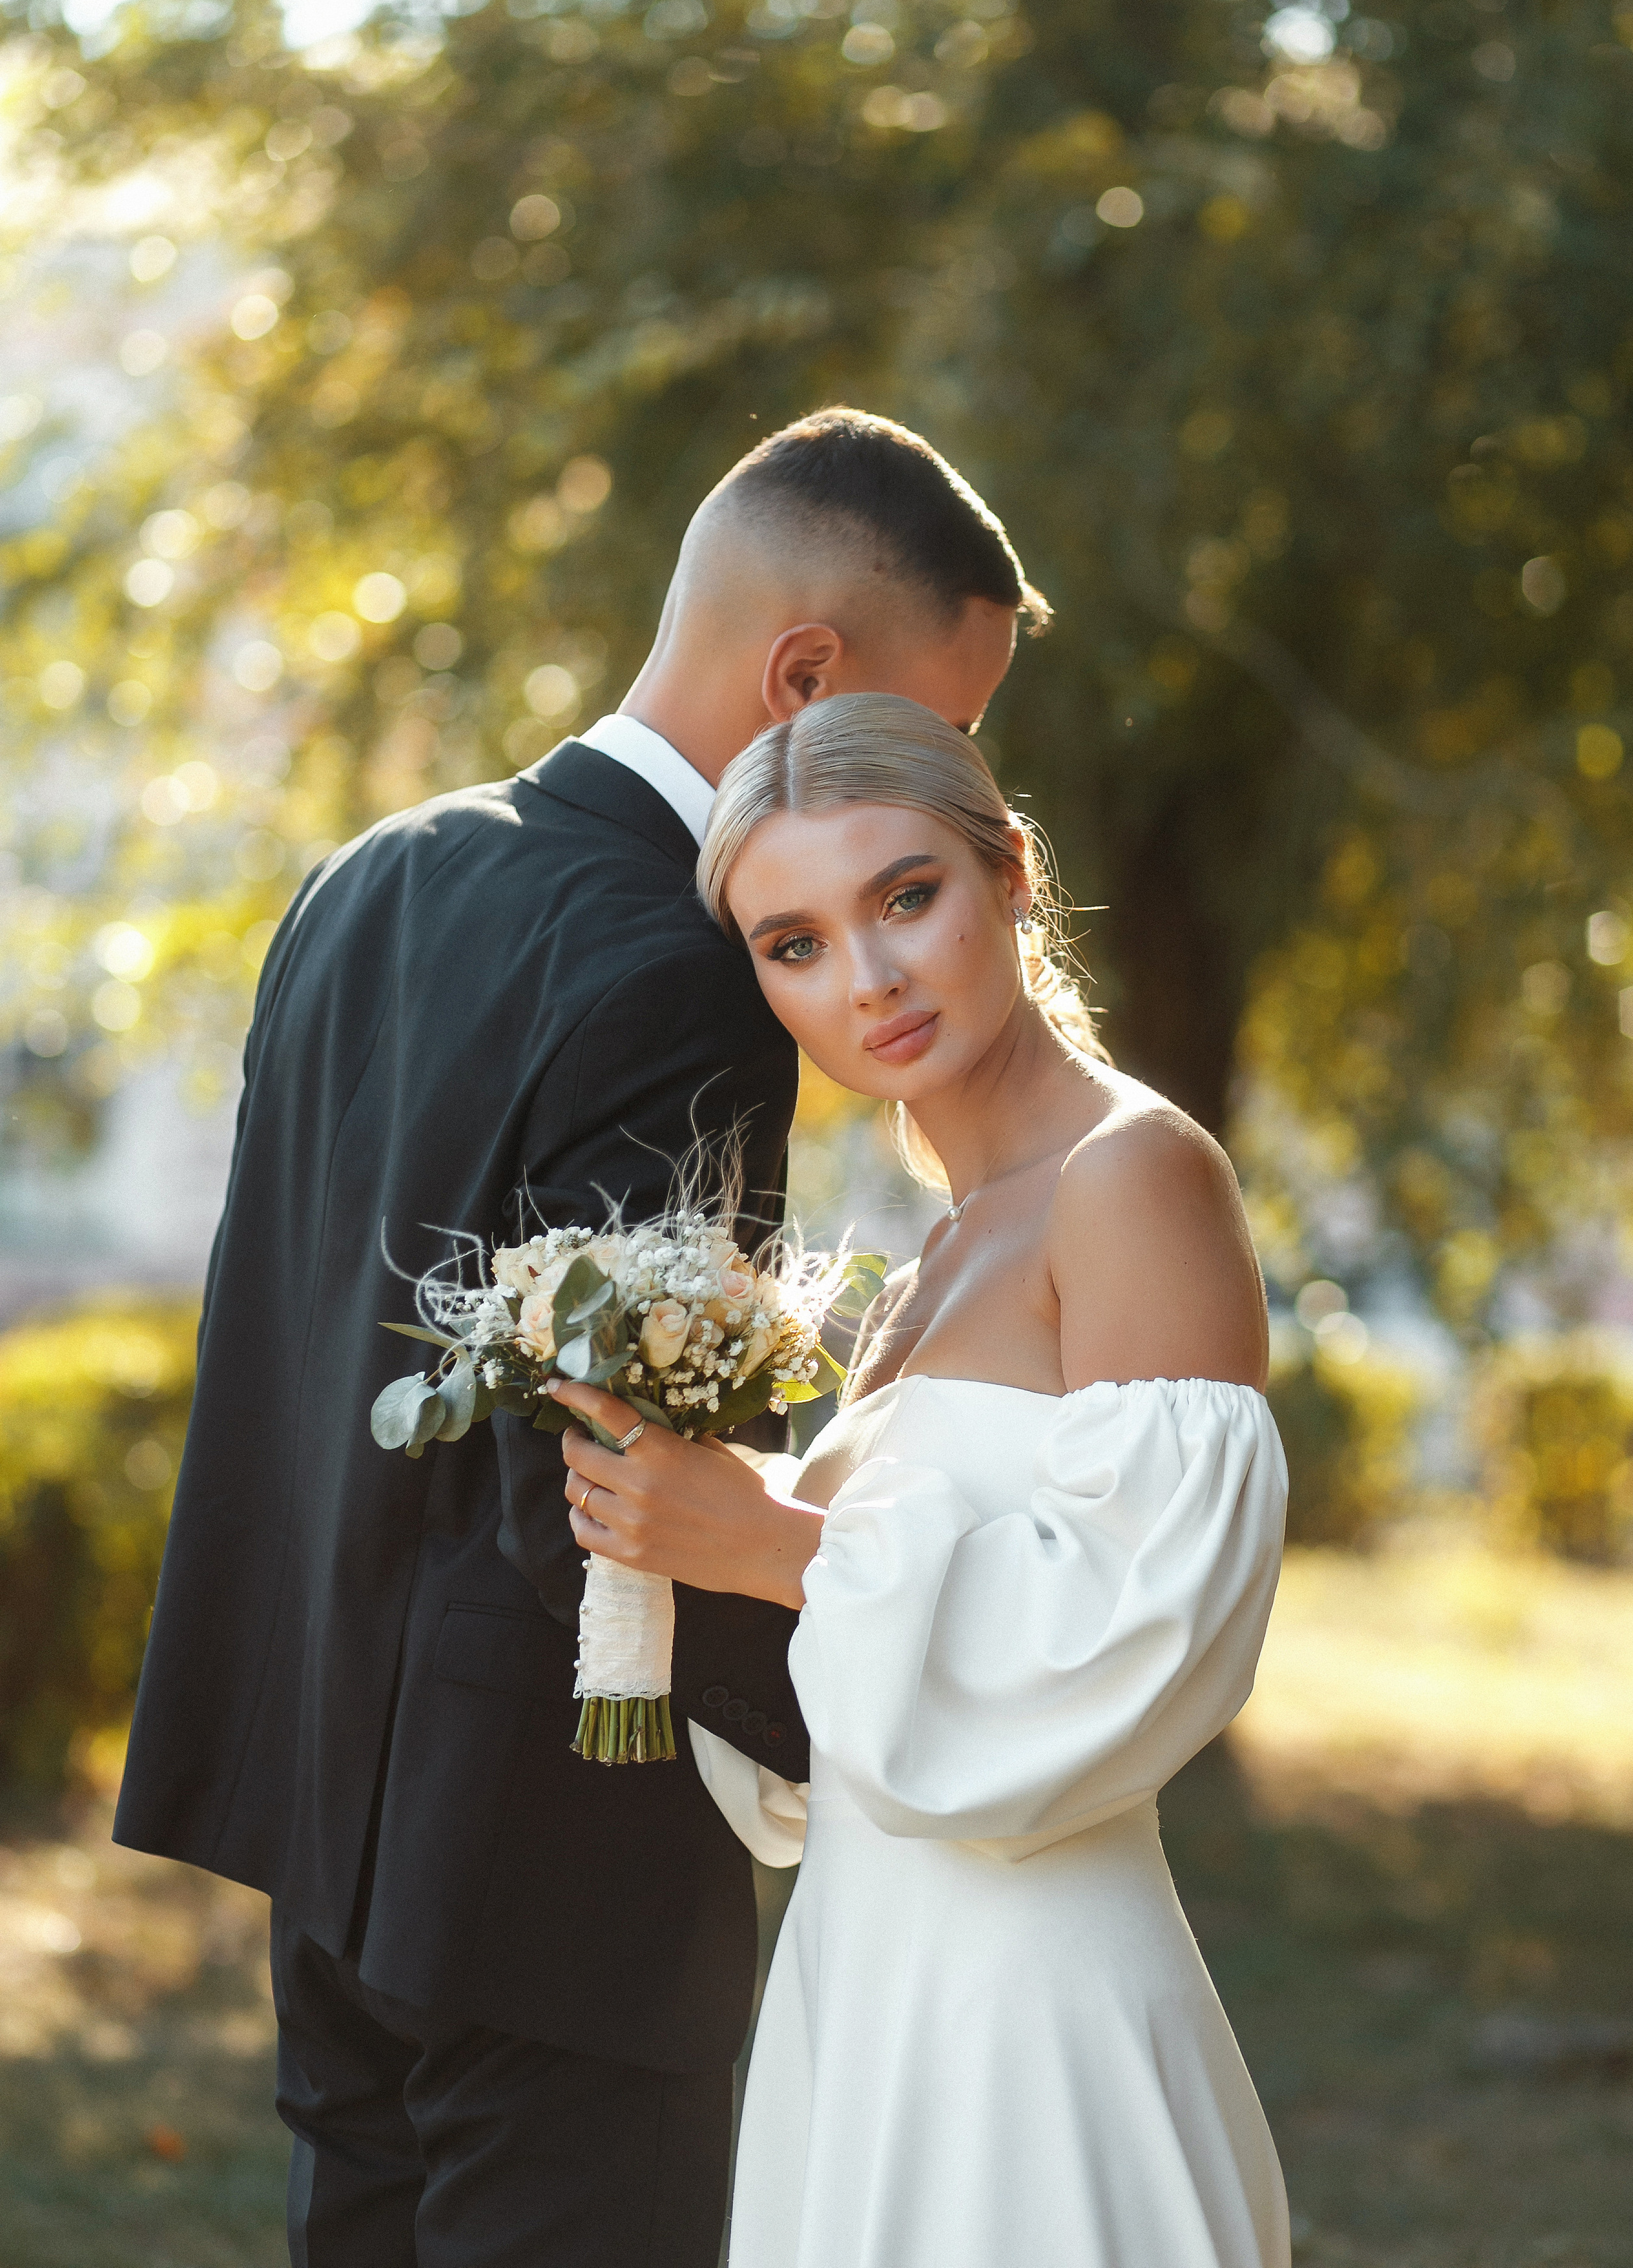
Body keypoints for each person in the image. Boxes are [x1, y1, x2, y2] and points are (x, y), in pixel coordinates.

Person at [113, 414, 1048, 2268]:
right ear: (808, 677)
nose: (944, 780)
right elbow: (611, 1481)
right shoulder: (683, 969)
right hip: (553, 1871)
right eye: (944, 729)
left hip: (326, 1825)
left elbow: (282, 1351)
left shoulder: (370, 876)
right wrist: (859, 1722)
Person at [555, 692, 1292, 2268]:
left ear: (1009, 873)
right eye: (794, 942)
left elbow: (1139, 1645)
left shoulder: (1135, 1177)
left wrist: (778, 1548)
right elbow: (851, 1714)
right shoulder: (928, 1261)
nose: (869, 979)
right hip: (861, 1986)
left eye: (905, 897)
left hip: (1031, 2019)